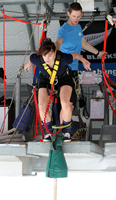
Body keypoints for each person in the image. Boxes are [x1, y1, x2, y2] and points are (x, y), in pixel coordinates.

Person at [24, 38, 91, 142]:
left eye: (50, 55)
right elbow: (32, 54)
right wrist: (28, 63)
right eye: (44, 55)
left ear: (55, 52)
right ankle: (48, 132)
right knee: (41, 106)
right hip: (46, 80)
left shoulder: (64, 58)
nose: (47, 58)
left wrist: (84, 61)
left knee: (65, 103)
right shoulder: (37, 58)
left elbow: (75, 55)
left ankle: (67, 131)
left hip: (63, 79)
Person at [55, 2, 107, 74]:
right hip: (64, 69)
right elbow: (58, 42)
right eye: (74, 16)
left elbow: (84, 43)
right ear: (68, 14)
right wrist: (56, 50)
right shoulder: (63, 30)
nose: (76, 19)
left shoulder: (78, 26)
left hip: (74, 67)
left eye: (78, 16)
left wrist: (98, 53)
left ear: (81, 14)